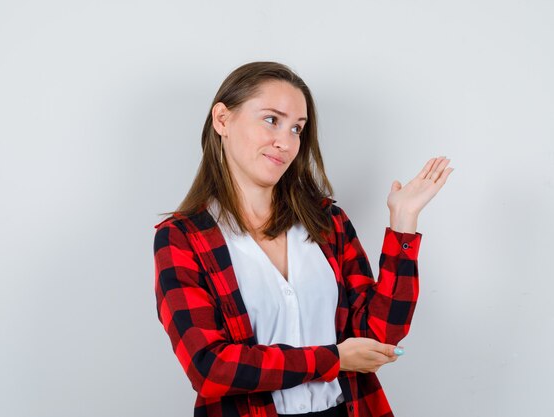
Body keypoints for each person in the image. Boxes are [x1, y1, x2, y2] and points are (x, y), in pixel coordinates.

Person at [153, 61, 453, 417]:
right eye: (271, 120)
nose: (285, 141)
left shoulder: (327, 223)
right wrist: (333, 359)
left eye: (297, 128)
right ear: (222, 120)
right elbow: (210, 367)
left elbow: (378, 333)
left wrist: (403, 223)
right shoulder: (183, 239)